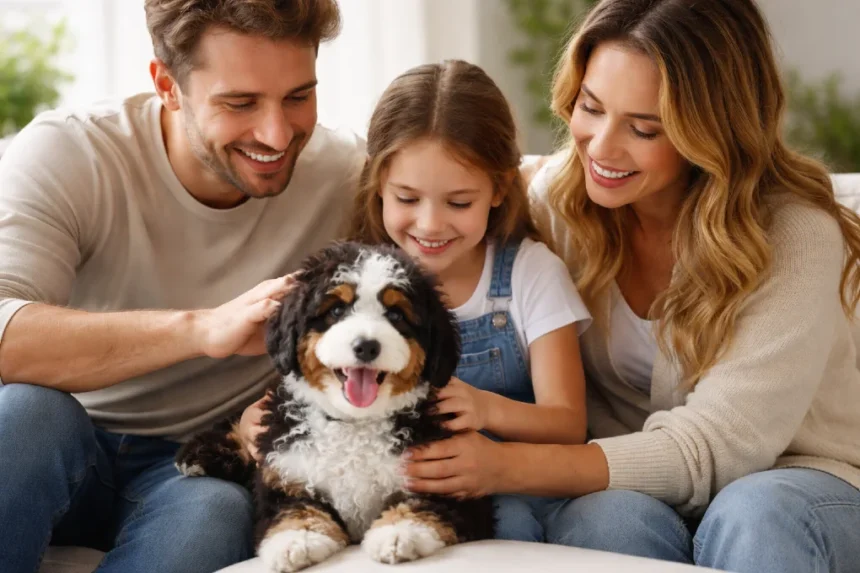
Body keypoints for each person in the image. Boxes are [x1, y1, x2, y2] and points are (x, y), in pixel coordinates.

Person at [402, 1, 860, 571]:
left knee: (756, 514)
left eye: (644, 128)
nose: (600, 148)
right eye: (590, 108)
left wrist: (503, 466)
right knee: (601, 519)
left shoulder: (795, 236)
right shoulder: (558, 207)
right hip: (634, 488)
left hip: (797, 482)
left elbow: (718, 447)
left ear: (714, 132)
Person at [0, 1, 366, 572]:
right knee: (25, 416)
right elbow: (4, 334)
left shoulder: (348, 179)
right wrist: (202, 329)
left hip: (197, 465)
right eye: (240, 103)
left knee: (216, 511)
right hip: (64, 434)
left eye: (299, 96)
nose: (276, 133)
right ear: (167, 85)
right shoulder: (72, 153)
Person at [349, 59, 592, 543]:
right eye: (407, 198)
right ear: (378, 185)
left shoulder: (530, 273)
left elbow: (570, 425)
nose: (431, 224)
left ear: (499, 189)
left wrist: (486, 410)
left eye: (459, 202)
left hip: (525, 489)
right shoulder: (359, 283)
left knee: (510, 523)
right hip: (404, 495)